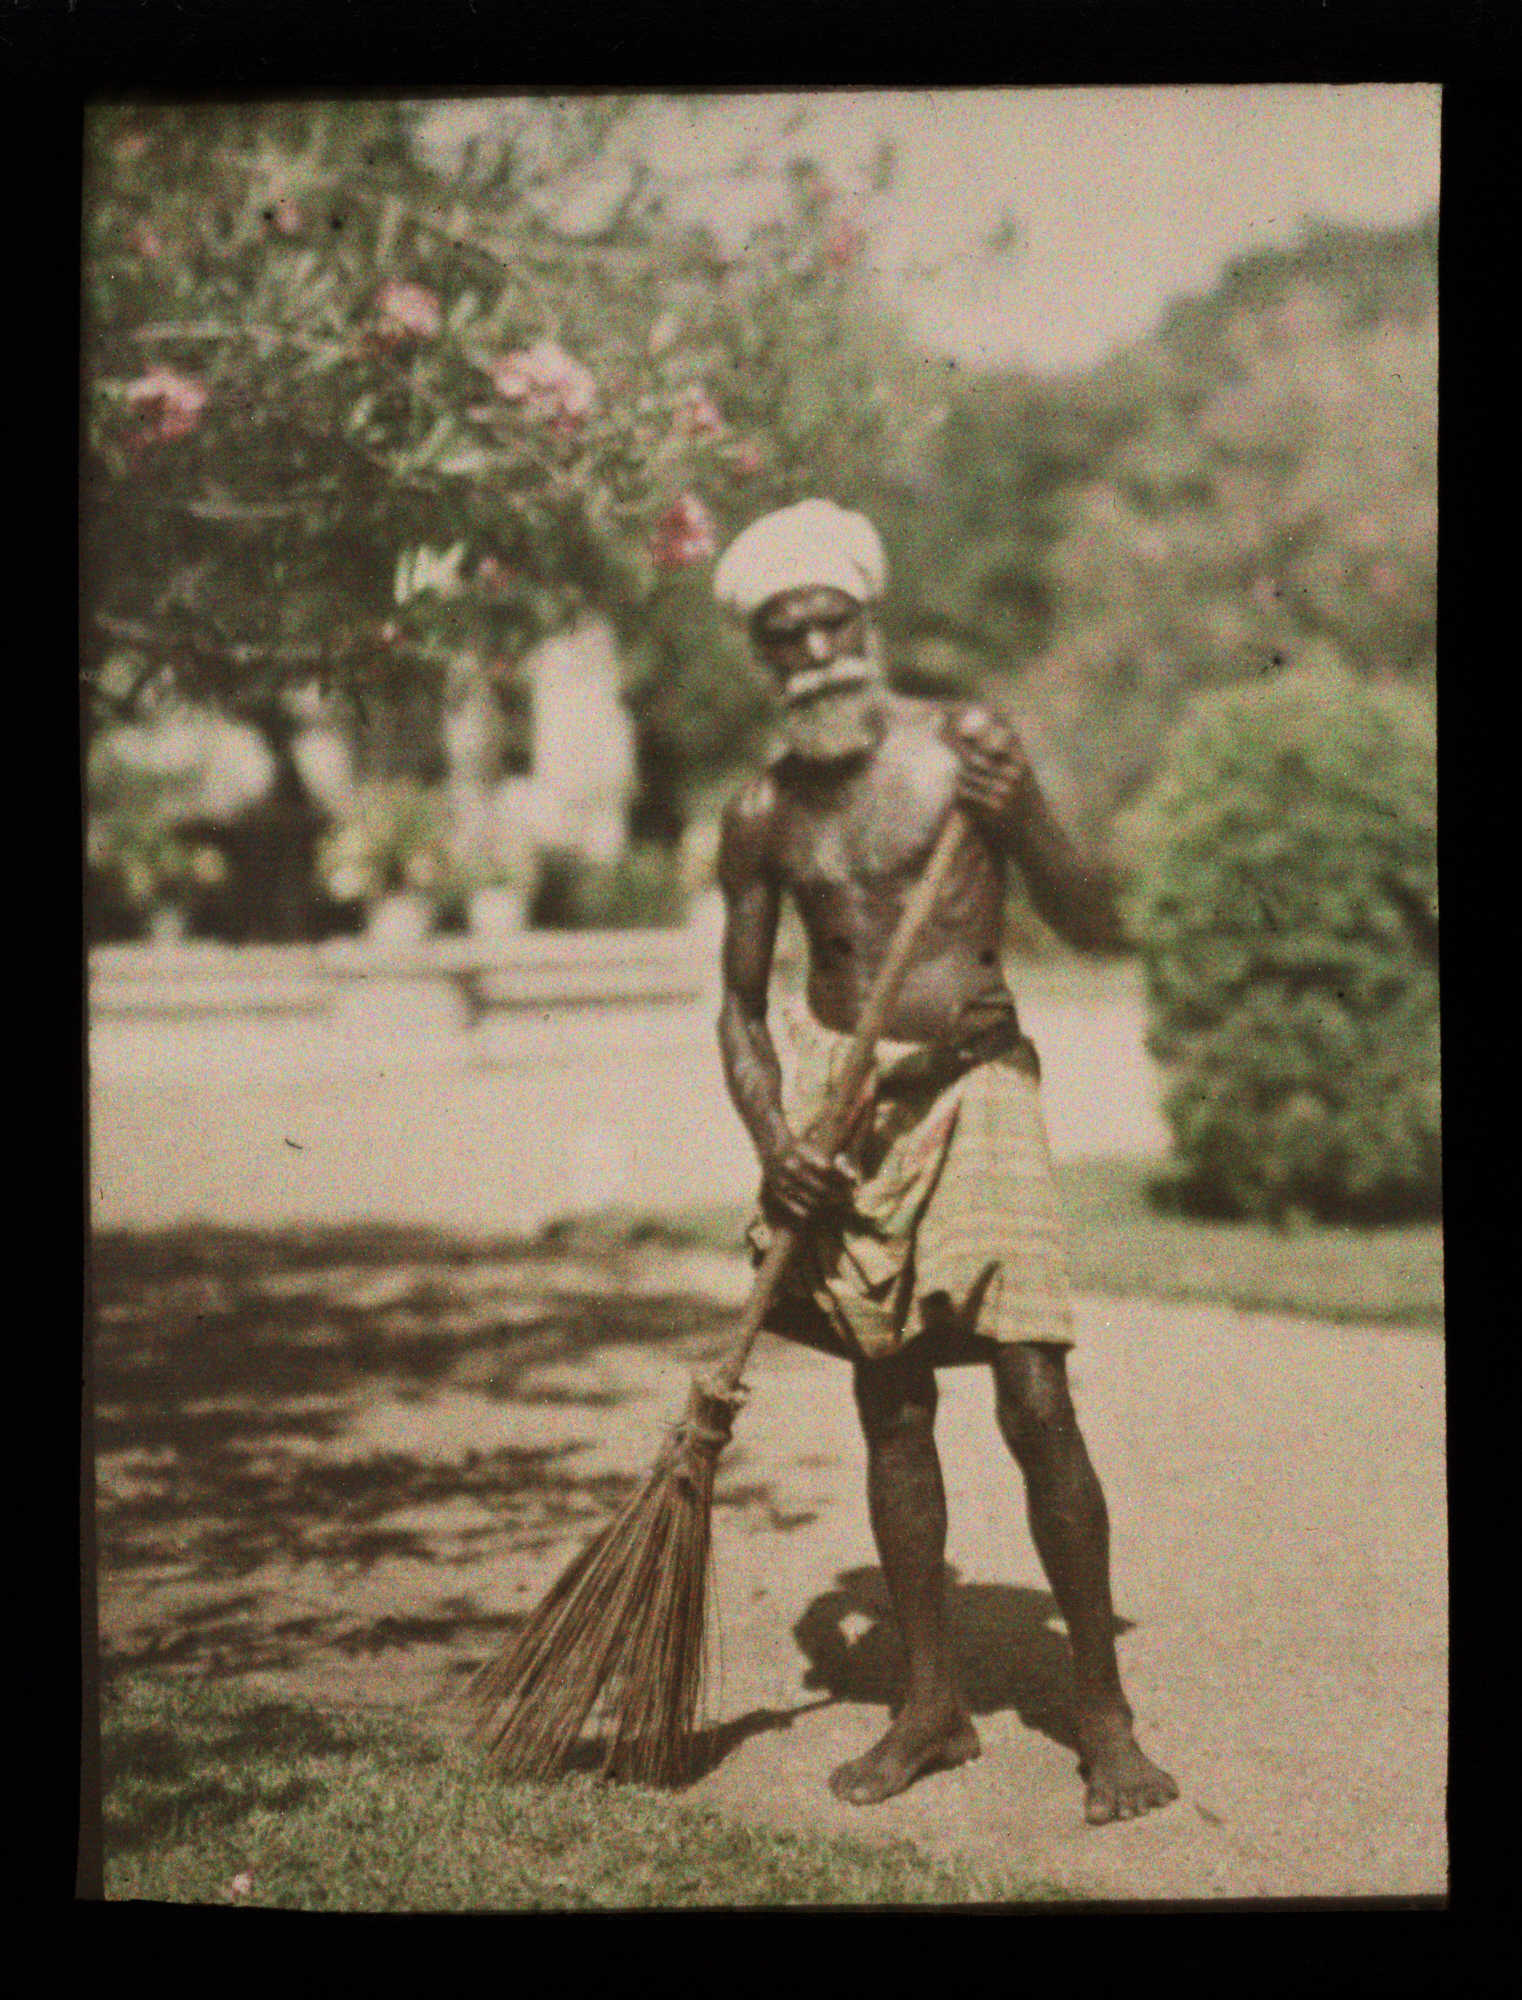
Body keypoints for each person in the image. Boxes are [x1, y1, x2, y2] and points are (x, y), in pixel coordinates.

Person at [712, 498, 1179, 1823]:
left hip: (976, 1090)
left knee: (1034, 1399)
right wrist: (775, 1145)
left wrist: (1026, 816)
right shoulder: (760, 810)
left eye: (830, 624)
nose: (813, 652)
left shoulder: (966, 747)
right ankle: (929, 1706)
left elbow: (1096, 923)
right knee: (893, 1408)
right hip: (844, 1111)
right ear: (761, 653)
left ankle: (1103, 1717)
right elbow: (737, 1007)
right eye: (785, 635)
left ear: (866, 621)